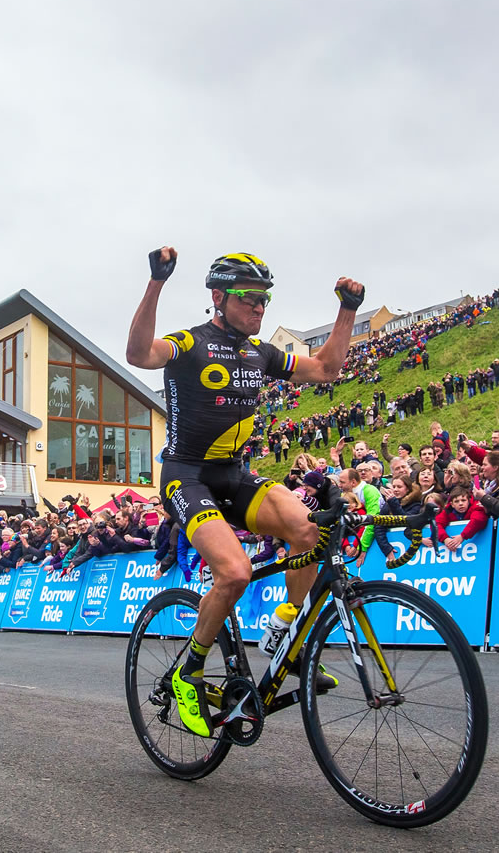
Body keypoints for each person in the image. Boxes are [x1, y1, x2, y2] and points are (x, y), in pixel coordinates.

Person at [125, 248, 369, 738]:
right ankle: (187, 671)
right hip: (186, 476)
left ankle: (284, 632)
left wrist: (347, 311)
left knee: (308, 531)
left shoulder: (262, 353)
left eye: (265, 299)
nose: (260, 307)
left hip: (233, 474)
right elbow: (139, 355)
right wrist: (157, 282)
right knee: (234, 572)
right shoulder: (190, 342)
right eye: (249, 298)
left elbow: (325, 368)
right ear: (219, 297)